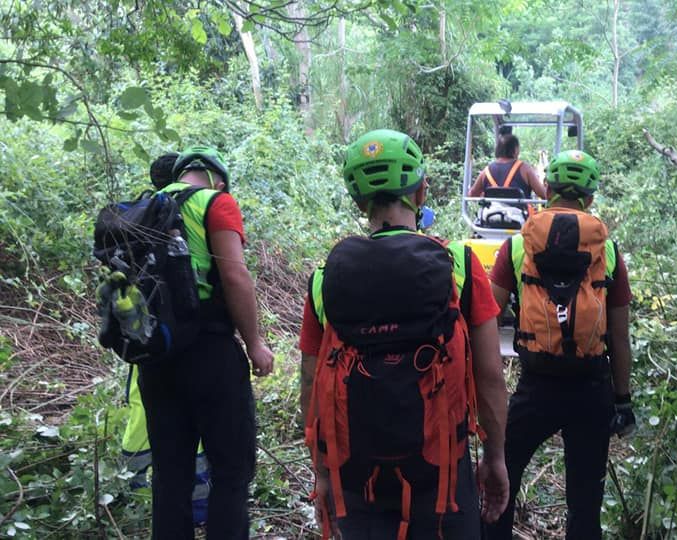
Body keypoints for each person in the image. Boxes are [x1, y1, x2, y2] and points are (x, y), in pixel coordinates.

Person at [299, 129, 509, 539]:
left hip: (357, 477)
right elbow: (489, 377)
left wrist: (321, 472)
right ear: (421, 192)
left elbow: (311, 382)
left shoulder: (326, 280)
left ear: (360, 202)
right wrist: (496, 458)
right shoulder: (460, 268)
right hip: (442, 475)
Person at [484, 150, 636, 540]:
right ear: (591, 197)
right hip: (591, 388)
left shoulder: (517, 247)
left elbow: (485, 316)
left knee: (502, 480)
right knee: (585, 505)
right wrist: (623, 399)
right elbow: (619, 336)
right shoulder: (609, 252)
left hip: (536, 386)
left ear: (547, 189)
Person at [137, 145, 275, 539]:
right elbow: (235, 277)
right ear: (218, 177)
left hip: (156, 357)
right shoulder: (216, 202)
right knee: (231, 470)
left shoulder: (148, 206)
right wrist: (255, 343)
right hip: (210, 353)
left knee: (170, 474)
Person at [120, 152, 211, 525]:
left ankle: (136, 493)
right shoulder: (188, 216)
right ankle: (199, 503)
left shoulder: (138, 219)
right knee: (193, 421)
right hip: (189, 340)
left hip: (145, 343)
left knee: (145, 412)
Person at [467, 133, 547, 200]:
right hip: (519, 218)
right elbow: (543, 194)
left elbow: (472, 195)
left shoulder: (486, 171)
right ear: (515, 150)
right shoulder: (524, 169)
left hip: (490, 217)